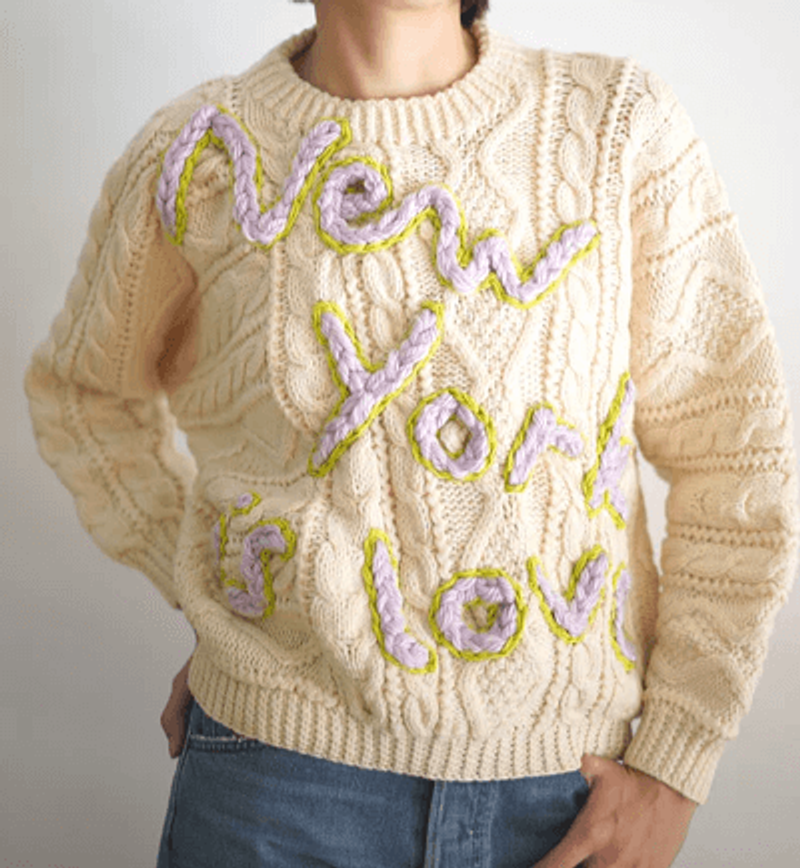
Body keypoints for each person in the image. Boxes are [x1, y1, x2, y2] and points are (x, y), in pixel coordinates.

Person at [23, 0, 799, 866]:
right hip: (276, 792)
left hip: (564, 803)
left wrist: (675, 765)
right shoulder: (204, 152)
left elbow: (738, 459)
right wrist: (217, 580)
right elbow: (84, 395)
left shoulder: (616, 127)